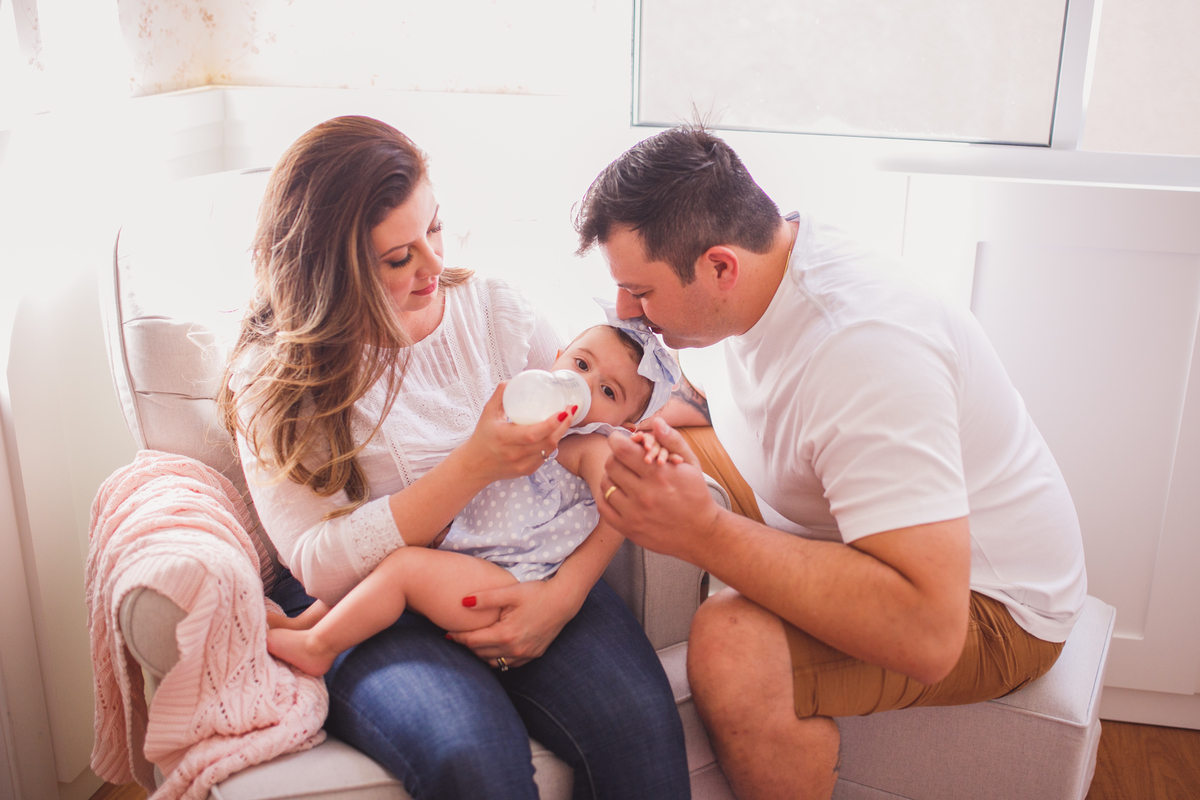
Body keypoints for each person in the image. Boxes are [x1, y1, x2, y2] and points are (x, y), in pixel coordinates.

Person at [577, 125, 1088, 800]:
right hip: (832, 510)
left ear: (720, 267)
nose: (626, 312)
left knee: (730, 645)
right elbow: (735, 402)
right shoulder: (774, 259)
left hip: (984, 601)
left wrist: (705, 532)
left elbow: (930, 631)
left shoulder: (865, 353)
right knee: (634, 461)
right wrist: (591, 427)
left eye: (640, 293)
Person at [219, 115, 691, 800]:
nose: (434, 266)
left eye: (433, 229)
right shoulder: (277, 378)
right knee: (471, 759)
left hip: (530, 565)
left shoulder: (498, 313)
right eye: (398, 257)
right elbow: (318, 564)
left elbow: (597, 450)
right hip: (368, 601)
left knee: (638, 731)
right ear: (331, 269)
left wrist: (558, 600)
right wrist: (475, 463)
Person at [266, 315, 683, 678]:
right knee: (388, 554)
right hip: (465, 551)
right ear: (556, 356)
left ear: (628, 423)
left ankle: (318, 649)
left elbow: (614, 494)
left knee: (403, 569)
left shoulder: (595, 446)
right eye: (581, 364)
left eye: (608, 392)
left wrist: (639, 469)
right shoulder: (529, 417)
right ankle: (306, 624)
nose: (584, 386)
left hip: (507, 579)